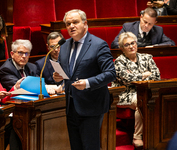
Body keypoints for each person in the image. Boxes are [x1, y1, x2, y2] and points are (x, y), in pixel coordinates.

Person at [53, 9, 116, 150]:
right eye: (68, 24)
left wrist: (88, 83)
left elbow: (111, 73)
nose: (71, 26)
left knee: (90, 147)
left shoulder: (98, 45)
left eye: (75, 22)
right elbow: (68, 74)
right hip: (71, 106)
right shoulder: (63, 46)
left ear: (85, 24)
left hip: (91, 106)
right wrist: (59, 77)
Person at [111, 32, 160, 148]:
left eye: (133, 43)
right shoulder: (119, 62)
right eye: (127, 45)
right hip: (125, 94)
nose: (131, 46)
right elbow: (128, 80)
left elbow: (157, 76)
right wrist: (145, 74)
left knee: (156, 99)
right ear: (122, 49)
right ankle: (137, 136)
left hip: (145, 92)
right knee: (141, 101)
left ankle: (156, 133)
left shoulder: (147, 57)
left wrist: (137, 75)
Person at [111, 7, 175, 49]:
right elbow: (115, 44)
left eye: (150, 24)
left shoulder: (158, 30)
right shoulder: (128, 27)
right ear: (141, 17)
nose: (146, 25)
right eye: (145, 22)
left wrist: (154, 47)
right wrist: (130, 46)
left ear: (155, 22)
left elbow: (171, 43)